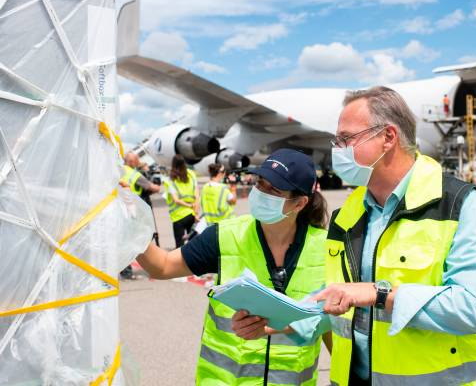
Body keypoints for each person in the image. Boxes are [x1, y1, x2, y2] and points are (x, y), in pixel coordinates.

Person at [309, 86, 476, 385]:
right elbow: (337, 299)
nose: (338, 150)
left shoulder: (462, 205)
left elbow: (474, 309)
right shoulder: (347, 214)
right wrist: (282, 321)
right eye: (337, 141)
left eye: (347, 139)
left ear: (388, 137)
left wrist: (379, 293)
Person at [136, 149, 331, 385]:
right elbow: (163, 266)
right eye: (260, 184)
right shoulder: (224, 236)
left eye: (273, 190)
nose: (260, 193)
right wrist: (130, 230)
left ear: (299, 203)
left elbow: (331, 324)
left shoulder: (326, 247)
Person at [119, 152, 161, 279]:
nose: (139, 162)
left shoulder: (119, 170)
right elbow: (155, 188)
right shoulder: (134, 174)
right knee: (142, 240)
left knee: (124, 241)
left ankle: (125, 271)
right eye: (137, 160)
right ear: (132, 162)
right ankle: (154, 267)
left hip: (121, 211)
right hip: (134, 213)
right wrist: (152, 173)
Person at [164, 154, 200, 248]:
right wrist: (195, 212)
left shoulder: (170, 179)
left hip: (178, 217)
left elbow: (176, 200)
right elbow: (197, 195)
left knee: (179, 246)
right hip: (191, 215)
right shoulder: (191, 174)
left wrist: (188, 206)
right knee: (193, 244)